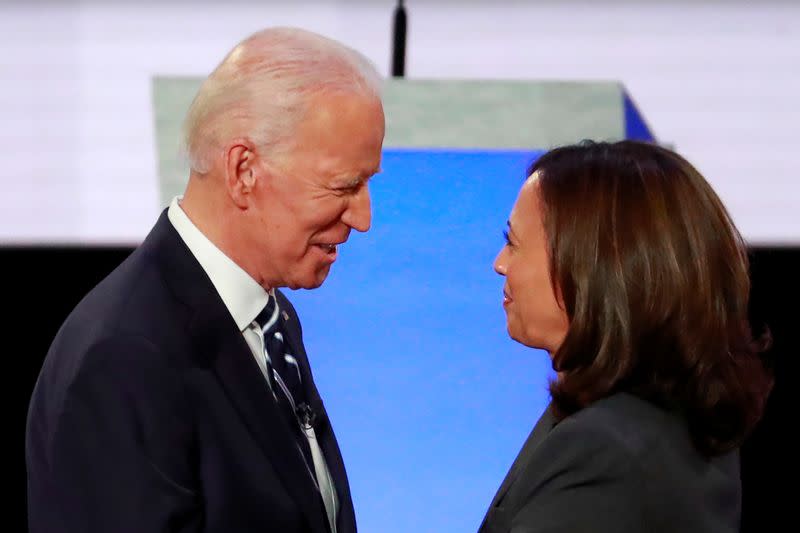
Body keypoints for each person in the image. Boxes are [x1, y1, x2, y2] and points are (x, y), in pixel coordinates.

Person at [26, 27, 384, 533]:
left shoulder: (271, 317)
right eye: (344, 185)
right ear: (244, 171)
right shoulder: (125, 356)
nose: (364, 217)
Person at [479, 140, 773, 533]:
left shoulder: (603, 453)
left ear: (591, 268)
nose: (500, 264)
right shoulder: (674, 427)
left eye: (513, 242)